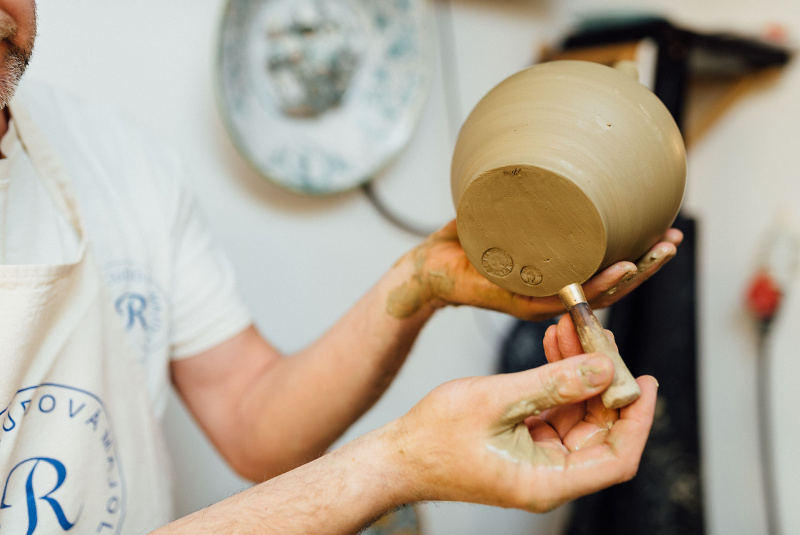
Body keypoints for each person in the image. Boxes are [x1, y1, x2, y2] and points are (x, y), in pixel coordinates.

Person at [0, 2, 682, 534]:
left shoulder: (117, 159)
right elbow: (383, 465)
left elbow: (252, 420)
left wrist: (420, 281)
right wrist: (397, 465)